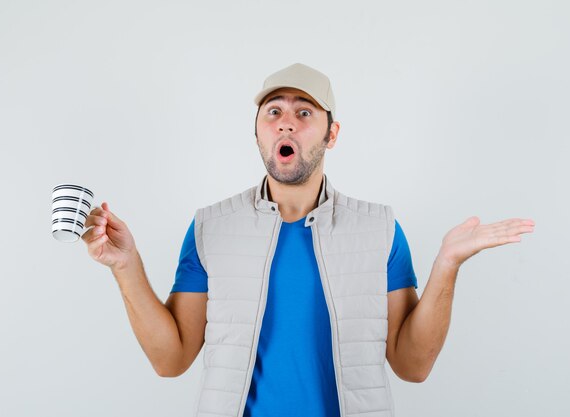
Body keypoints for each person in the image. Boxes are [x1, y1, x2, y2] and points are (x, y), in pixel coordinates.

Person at [81, 63, 535, 417]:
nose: (286, 124)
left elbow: (412, 366)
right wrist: (126, 265)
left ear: (331, 133)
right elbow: (171, 359)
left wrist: (446, 266)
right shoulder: (210, 228)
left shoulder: (379, 230)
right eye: (273, 111)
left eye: (304, 112)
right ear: (257, 131)